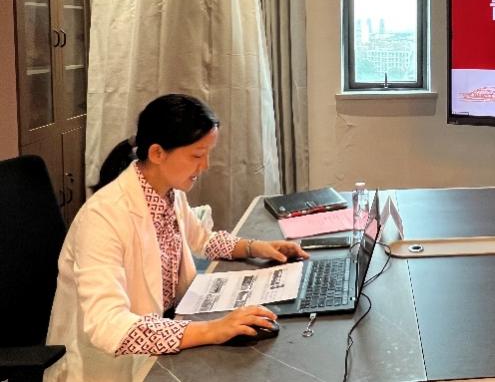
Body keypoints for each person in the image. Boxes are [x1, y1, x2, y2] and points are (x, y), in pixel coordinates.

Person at [45, 94, 308, 381]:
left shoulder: (169, 192)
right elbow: (107, 326)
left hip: (166, 328)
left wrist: (257, 247)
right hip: (109, 367)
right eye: (197, 155)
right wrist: (212, 330)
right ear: (157, 153)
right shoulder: (102, 218)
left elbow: (203, 240)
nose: (205, 165)